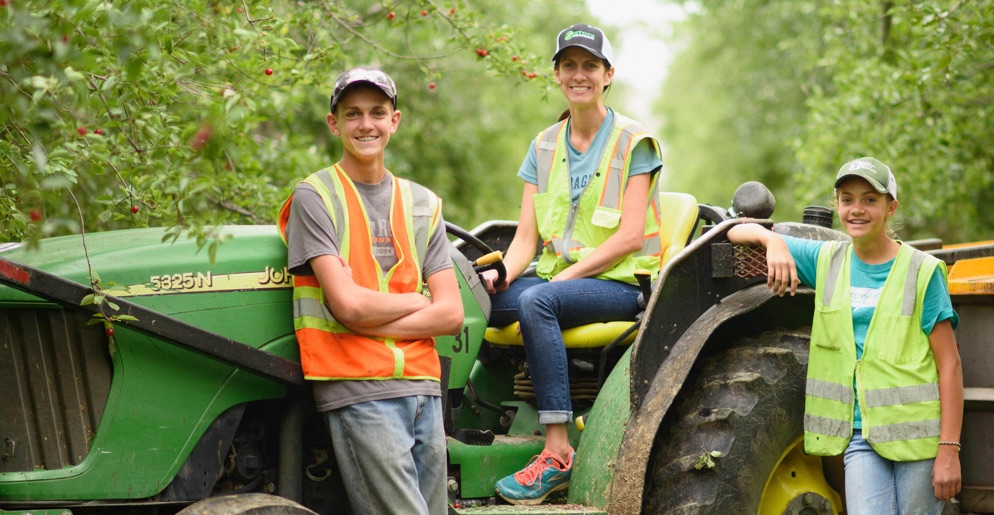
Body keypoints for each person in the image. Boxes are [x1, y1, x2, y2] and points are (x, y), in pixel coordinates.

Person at [483, 23, 664, 505]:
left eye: (590, 65)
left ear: (608, 74)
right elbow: (525, 239)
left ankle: (557, 452)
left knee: (540, 300)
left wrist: (558, 280)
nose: (579, 74)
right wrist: (497, 276)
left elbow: (628, 237)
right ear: (557, 75)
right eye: (569, 65)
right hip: (554, 281)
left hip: (622, 284)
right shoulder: (543, 145)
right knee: (468, 300)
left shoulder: (634, 142)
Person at [726, 157, 963, 514]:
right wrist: (770, 241)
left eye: (870, 199)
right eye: (847, 199)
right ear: (837, 205)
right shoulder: (826, 259)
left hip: (919, 439)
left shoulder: (922, 271)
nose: (857, 209)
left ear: (890, 207)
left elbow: (950, 365)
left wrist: (949, 450)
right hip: (859, 436)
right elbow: (733, 231)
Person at [277, 67, 463, 515]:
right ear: (334, 122)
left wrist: (371, 317)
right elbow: (347, 305)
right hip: (358, 388)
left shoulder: (422, 203)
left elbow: (452, 315)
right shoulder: (315, 196)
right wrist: (417, 302)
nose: (366, 124)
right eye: (353, 113)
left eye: (377, 113)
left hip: (422, 386)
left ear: (394, 120)